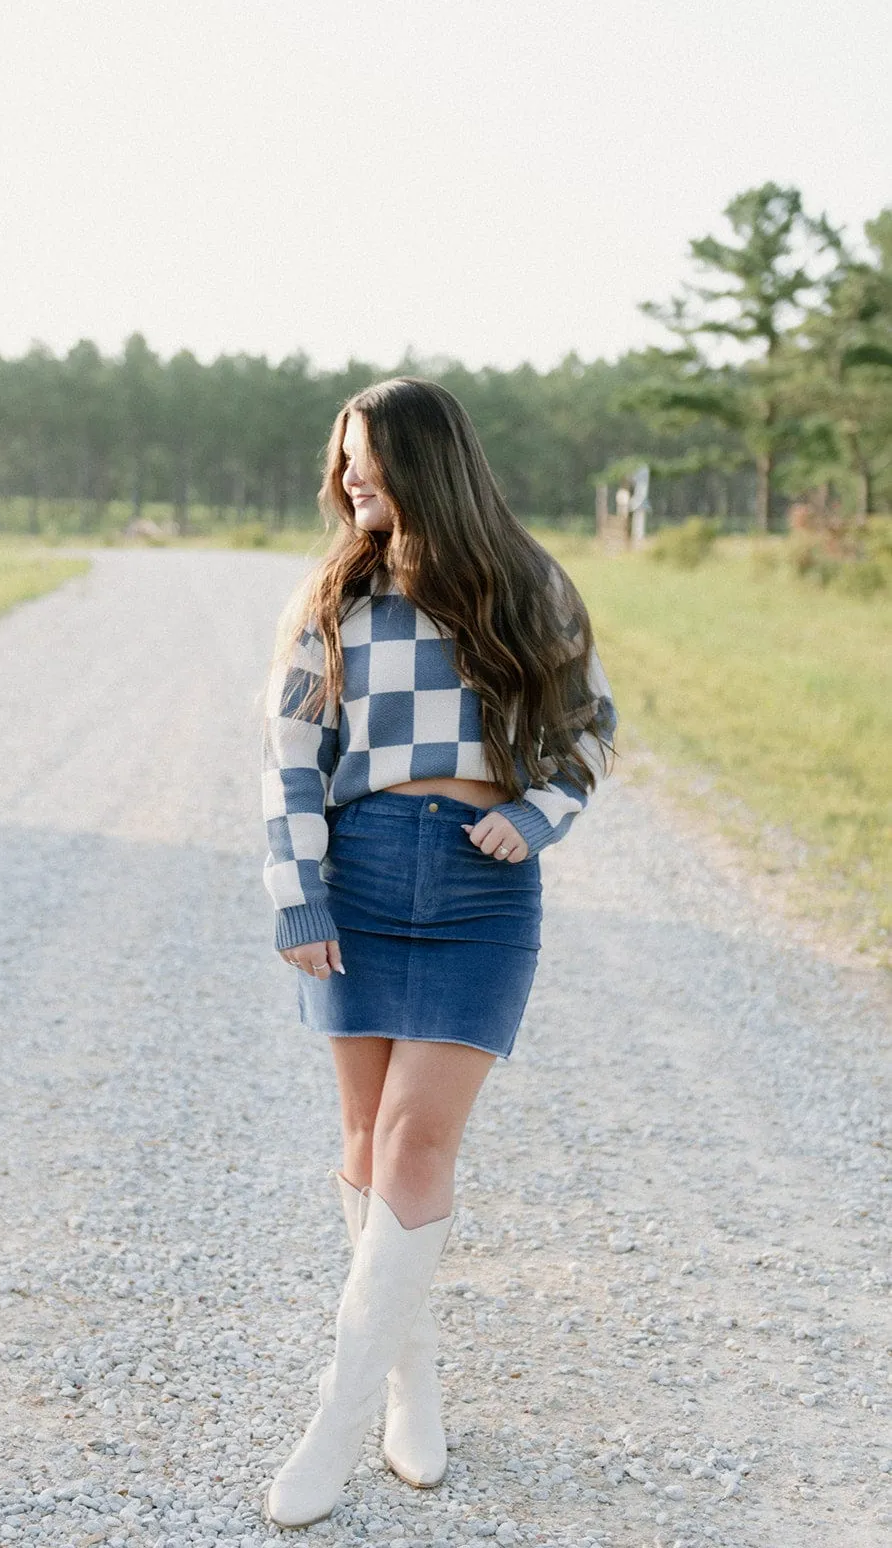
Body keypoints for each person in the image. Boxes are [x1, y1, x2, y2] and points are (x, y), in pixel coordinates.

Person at [259, 377, 617, 1528]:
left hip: (483, 882)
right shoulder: (332, 594)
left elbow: (592, 731)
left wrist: (542, 814)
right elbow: (290, 761)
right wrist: (298, 893)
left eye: (366, 458)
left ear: (428, 462)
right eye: (342, 458)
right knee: (364, 1138)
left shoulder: (529, 587)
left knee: (418, 1136)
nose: (348, 477)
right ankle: (409, 1378)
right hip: (356, 874)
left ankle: (331, 1420)